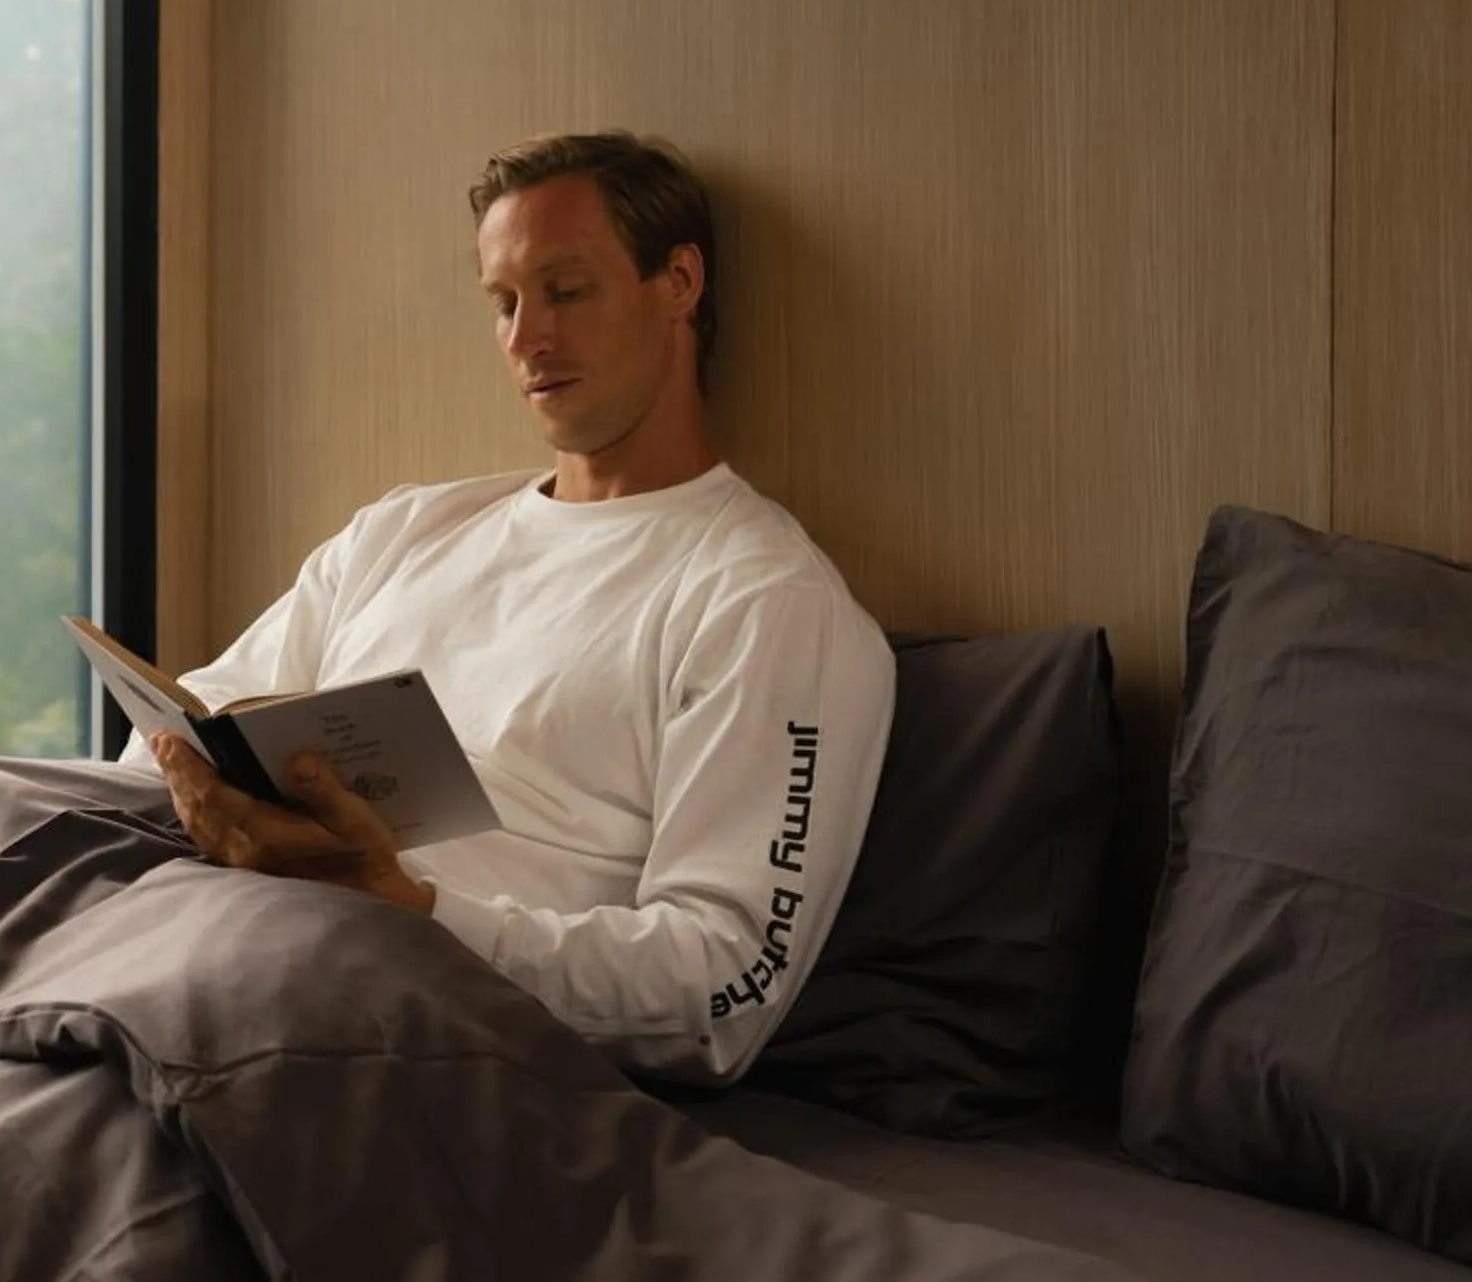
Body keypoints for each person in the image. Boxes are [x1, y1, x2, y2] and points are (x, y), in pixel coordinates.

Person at [122, 132, 895, 1086]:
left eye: (567, 292)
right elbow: (182, 729)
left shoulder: (766, 603)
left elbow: (721, 992)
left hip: (399, 1016)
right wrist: (191, 785)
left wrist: (411, 911)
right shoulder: (406, 531)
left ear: (680, 284)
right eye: (504, 303)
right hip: (193, 918)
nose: (528, 338)